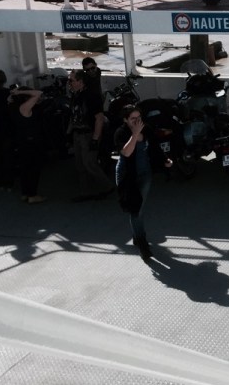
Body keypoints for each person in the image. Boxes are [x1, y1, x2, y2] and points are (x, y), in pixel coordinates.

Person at [114, 104, 172, 260]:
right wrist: (134, 134)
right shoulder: (121, 133)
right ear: (125, 120)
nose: (137, 121)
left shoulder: (146, 130)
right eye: (133, 118)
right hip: (127, 175)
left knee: (138, 208)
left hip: (145, 173)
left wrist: (165, 160)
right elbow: (126, 152)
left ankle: (137, 237)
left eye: (139, 118)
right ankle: (142, 243)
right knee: (135, 209)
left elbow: (155, 147)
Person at [68, 69, 113, 201]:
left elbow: (99, 118)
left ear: (80, 82)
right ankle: (85, 192)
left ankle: (107, 186)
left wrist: (95, 139)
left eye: (71, 80)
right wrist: (69, 132)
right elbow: (74, 116)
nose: (69, 83)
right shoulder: (75, 95)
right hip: (77, 134)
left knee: (89, 163)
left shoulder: (91, 96)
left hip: (88, 134)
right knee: (80, 164)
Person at [9, 87, 47, 204]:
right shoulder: (25, 108)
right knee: (33, 169)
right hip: (31, 142)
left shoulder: (13, 107)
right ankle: (32, 195)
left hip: (21, 141)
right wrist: (20, 91)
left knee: (25, 169)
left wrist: (16, 93)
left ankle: (26, 193)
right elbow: (39, 93)